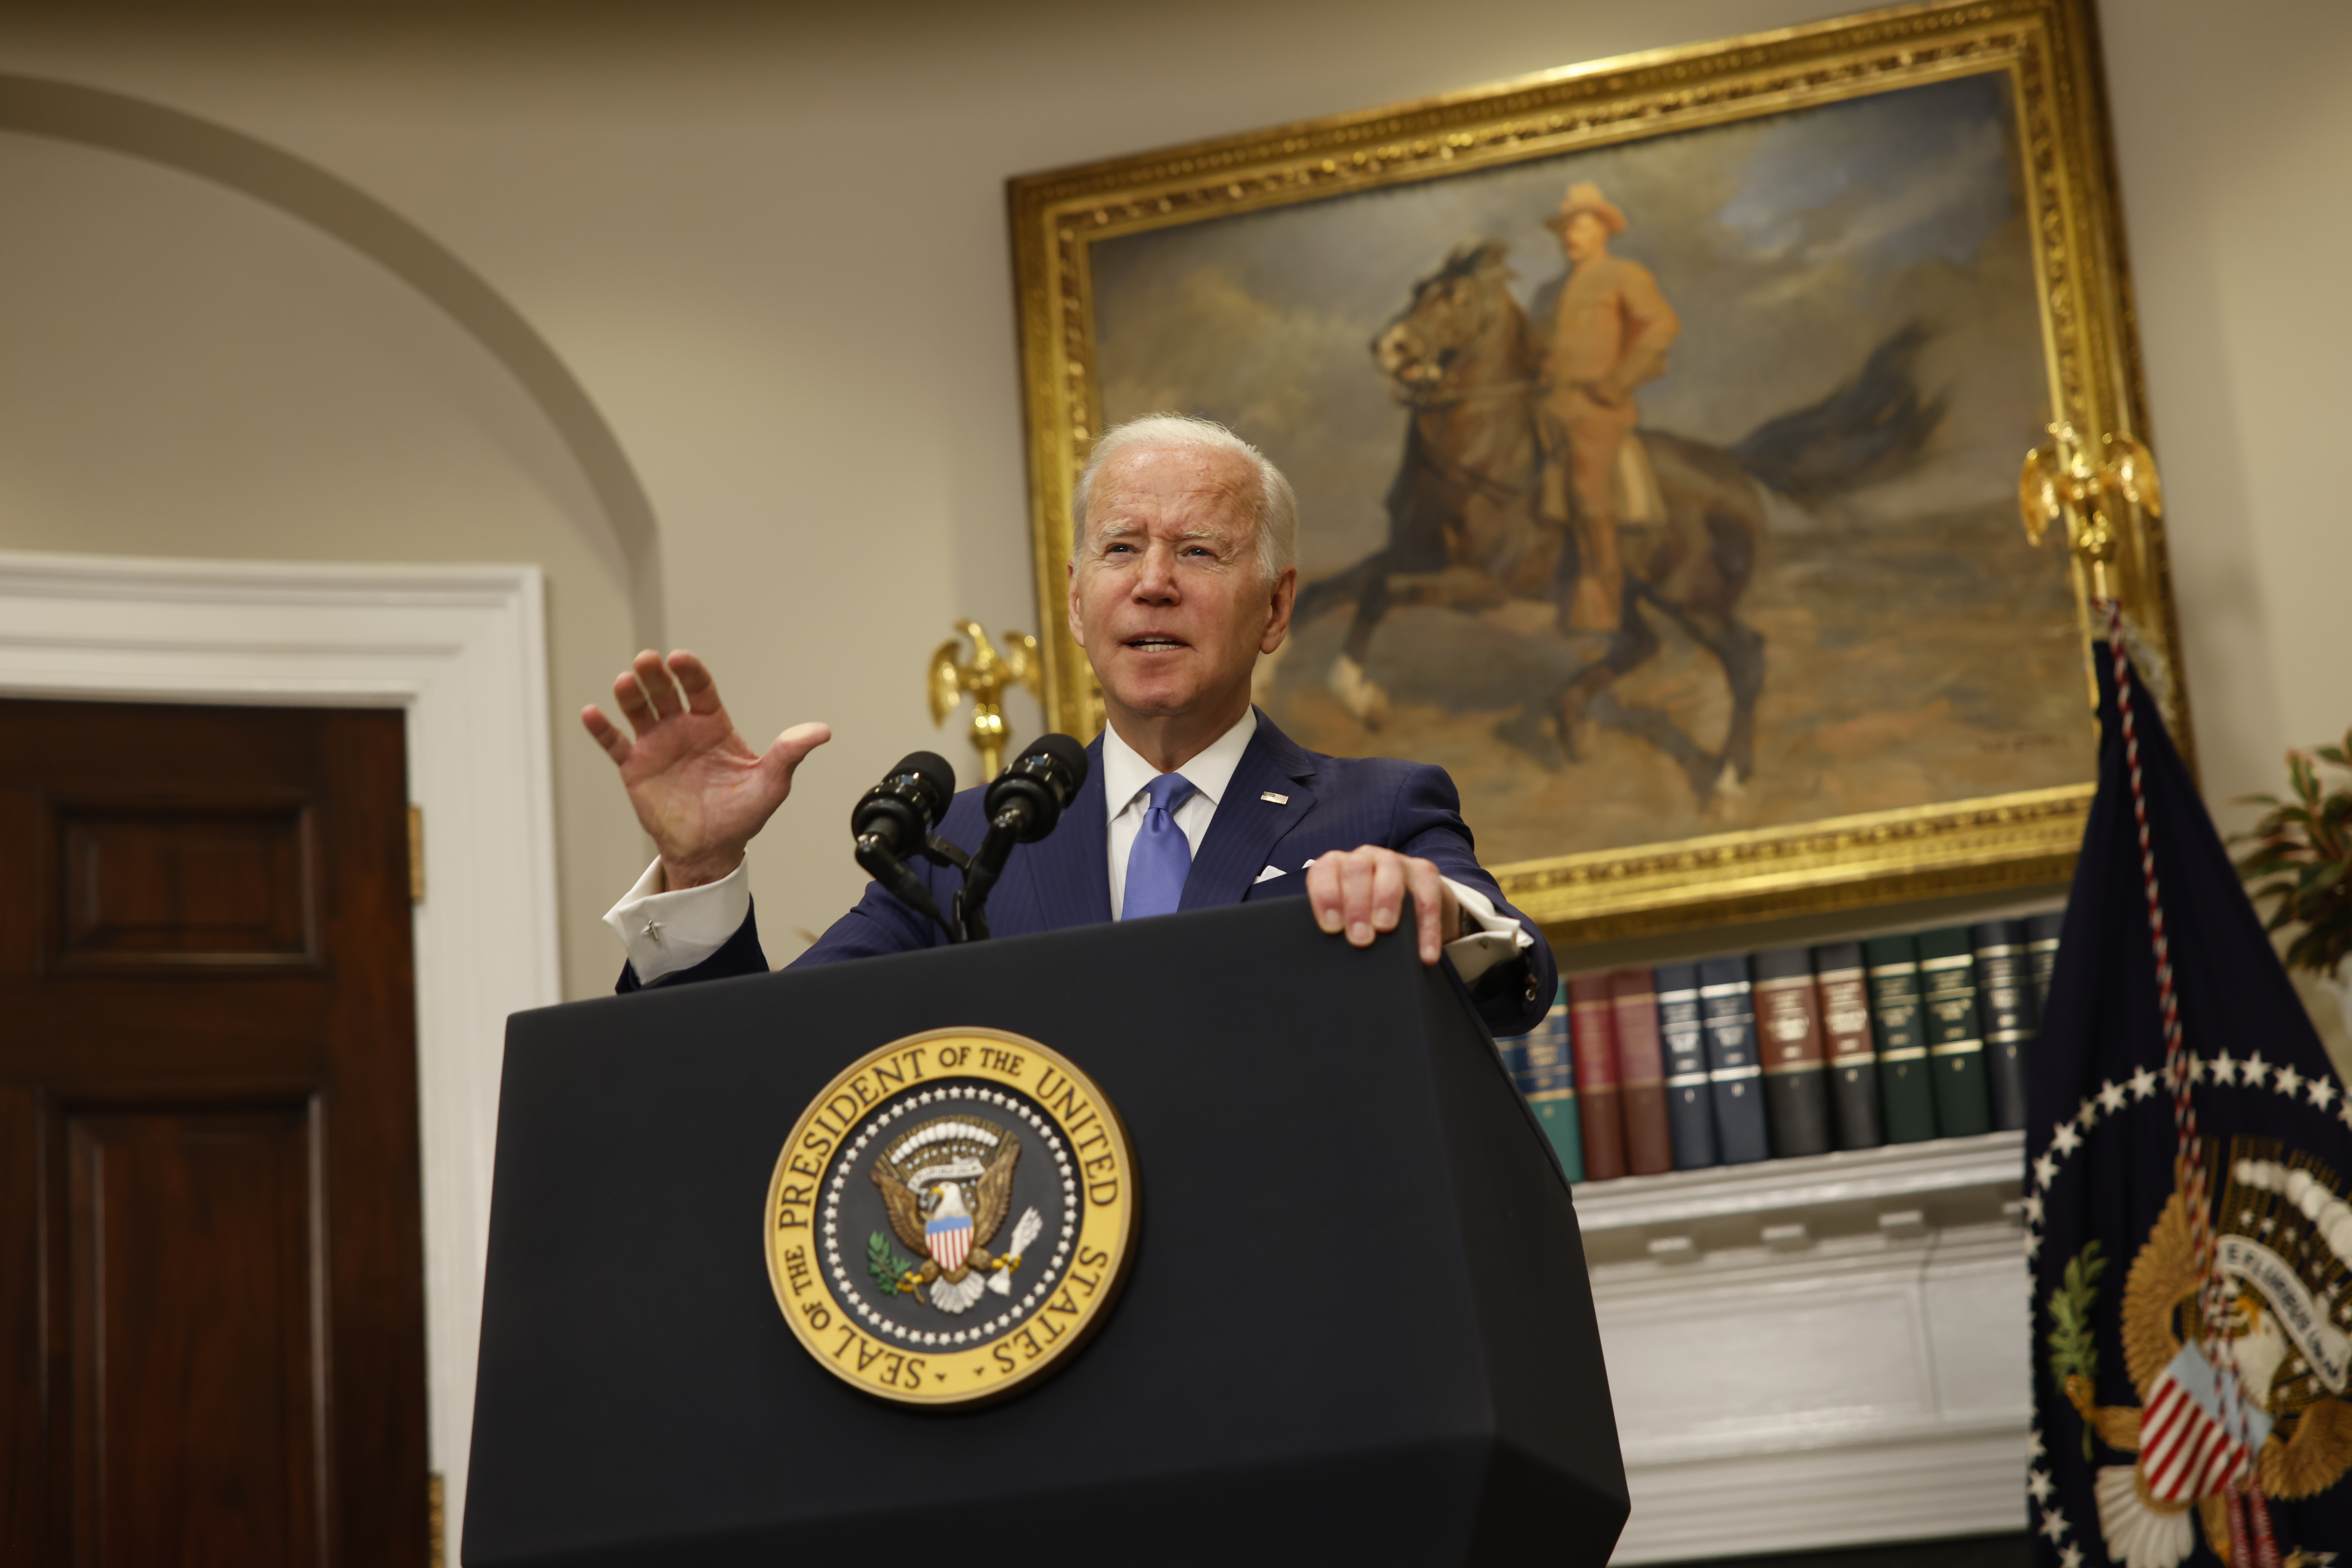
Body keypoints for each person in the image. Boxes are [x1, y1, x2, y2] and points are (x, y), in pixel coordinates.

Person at [581, 414, 1557, 1035]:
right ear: (1077, 598)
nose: (1152, 583)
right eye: (1120, 548)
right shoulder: (964, 846)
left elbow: (1512, 972)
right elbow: (768, 1054)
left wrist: (1426, 902)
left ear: (1274, 608)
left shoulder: (1379, 808)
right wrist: (701, 873)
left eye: (1200, 551)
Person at [1531, 181, 1681, 635]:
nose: (1569, 235)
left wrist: (1619, 381)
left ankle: (1604, 600)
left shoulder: (1623, 275)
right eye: (1565, 228)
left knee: (1588, 493)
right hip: (1547, 406)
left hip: (1595, 410)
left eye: (1580, 225)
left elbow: (1662, 325)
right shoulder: (1551, 291)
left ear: (1603, 230)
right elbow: (1542, 346)